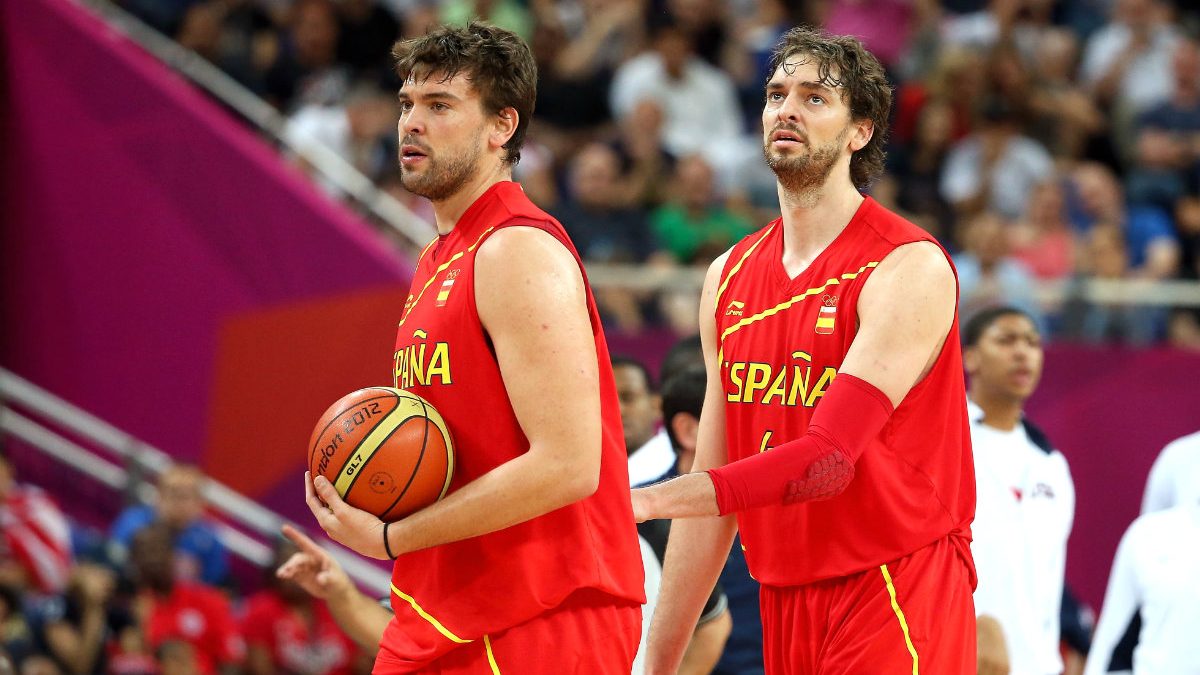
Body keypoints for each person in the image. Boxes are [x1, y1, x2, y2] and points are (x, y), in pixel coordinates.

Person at [632, 26, 976, 674]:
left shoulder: (907, 266)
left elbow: (827, 461)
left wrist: (646, 498)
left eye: (814, 98)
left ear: (860, 131)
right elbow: (716, 496)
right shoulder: (727, 277)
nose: (786, 108)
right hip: (783, 596)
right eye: (776, 93)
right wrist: (658, 663)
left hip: (894, 587)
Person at [303, 22, 645, 673]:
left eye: (439, 106)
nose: (412, 123)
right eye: (407, 104)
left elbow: (569, 463)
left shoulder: (516, 248)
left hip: (540, 611)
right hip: (455, 604)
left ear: (501, 126)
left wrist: (391, 535)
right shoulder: (439, 255)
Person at [963, 306, 1075, 675]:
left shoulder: (1051, 464)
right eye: (1006, 340)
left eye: (1032, 342)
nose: (1023, 352)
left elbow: (1047, 576)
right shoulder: (942, 440)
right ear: (970, 357)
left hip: (1035, 665)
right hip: (952, 655)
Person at [110, 465, 229, 588]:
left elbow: (212, 585)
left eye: (187, 495)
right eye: (174, 492)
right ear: (159, 495)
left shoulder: (210, 540)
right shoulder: (133, 522)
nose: (179, 502)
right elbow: (114, 563)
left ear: (200, 501)